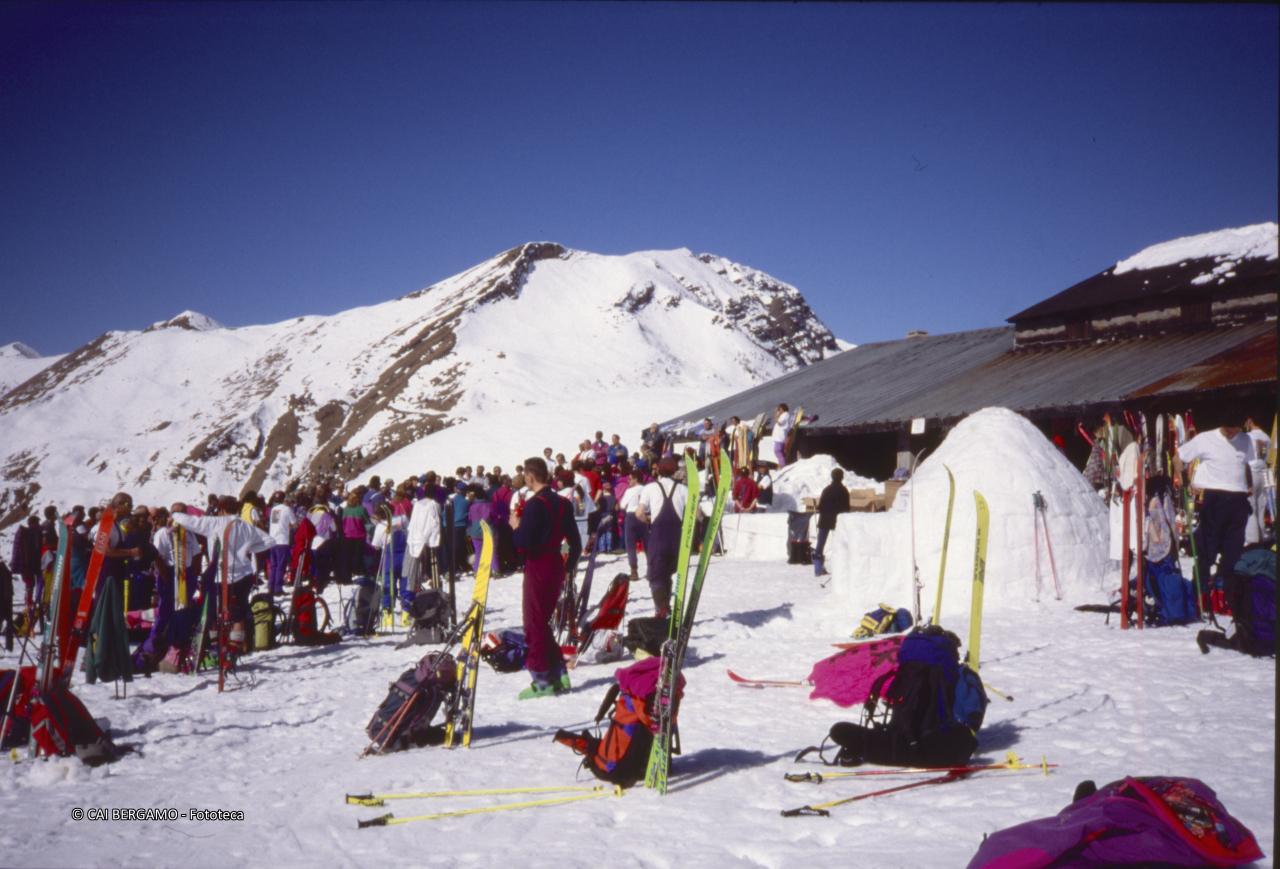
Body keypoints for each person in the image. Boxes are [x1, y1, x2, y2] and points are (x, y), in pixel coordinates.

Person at [510, 457, 581, 699]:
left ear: (530, 476)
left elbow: (523, 543)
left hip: (538, 564)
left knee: (533, 622)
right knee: (543, 619)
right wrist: (569, 566)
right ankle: (559, 671)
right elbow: (576, 541)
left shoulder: (534, 504)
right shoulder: (562, 502)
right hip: (555, 564)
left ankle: (542, 679)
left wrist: (515, 527)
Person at [171, 495, 275, 651]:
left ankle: (214, 644)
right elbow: (269, 541)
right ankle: (234, 648)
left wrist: (175, 514)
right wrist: (248, 549)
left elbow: (192, 522)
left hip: (219, 576)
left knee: (211, 611)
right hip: (243, 575)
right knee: (238, 613)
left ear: (221, 509)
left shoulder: (214, 523)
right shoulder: (245, 526)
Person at [1174, 420, 1253, 607]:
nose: (1233, 432)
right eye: (1229, 428)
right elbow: (1179, 457)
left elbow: (1247, 464)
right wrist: (1182, 476)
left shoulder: (1246, 440)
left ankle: (1228, 598)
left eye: (1236, 428)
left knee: (1233, 555)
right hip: (1214, 501)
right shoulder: (1206, 438)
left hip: (1238, 501)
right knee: (1207, 552)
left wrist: (1249, 484)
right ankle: (1198, 595)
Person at [635, 456, 688, 618]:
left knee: (656, 574)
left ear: (658, 470)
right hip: (677, 536)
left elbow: (639, 513)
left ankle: (661, 608)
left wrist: (649, 522)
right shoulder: (683, 489)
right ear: (674, 471)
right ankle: (667, 607)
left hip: (658, 535)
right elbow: (697, 514)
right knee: (668, 572)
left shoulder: (650, 488)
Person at [814, 468, 851, 577]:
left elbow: (820, 506)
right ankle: (839, 567)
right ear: (842, 477)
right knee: (839, 544)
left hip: (824, 521)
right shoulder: (844, 491)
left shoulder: (826, 490)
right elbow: (846, 509)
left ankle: (818, 568)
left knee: (820, 545)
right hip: (837, 522)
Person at [1243, 416, 1273, 544]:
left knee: (1251, 507)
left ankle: (1251, 540)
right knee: (1261, 508)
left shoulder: (1247, 437)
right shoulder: (1266, 437)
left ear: (1250, 421)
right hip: (1264, 473)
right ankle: (1261, 537)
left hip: (1252, 472)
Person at [266, 492, 297, 595]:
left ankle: (271, 586)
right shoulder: (287, 509)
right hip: (282, 540)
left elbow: (276, 523)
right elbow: (294, 523)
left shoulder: (274, 510)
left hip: (273, 539)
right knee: (281, 565)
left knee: (273, 565)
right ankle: (278, 588)